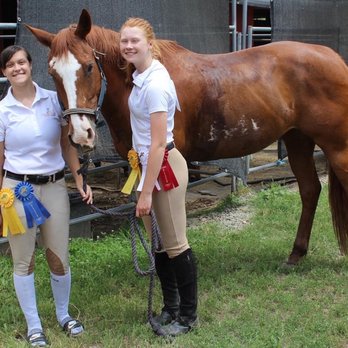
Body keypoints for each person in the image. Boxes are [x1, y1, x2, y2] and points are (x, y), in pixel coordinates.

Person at [0, 45, 93, 347]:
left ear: (30, 65)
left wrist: (79, 179)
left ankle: (64, 315)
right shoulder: (2, 112)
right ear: (4, 72)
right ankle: (34, 325)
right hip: (17, 191)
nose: (17, 68)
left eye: (22, 62)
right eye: (10, 65)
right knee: (23, 260)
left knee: (58, 257)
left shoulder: (53, 101)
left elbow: (68, 146)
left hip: (54, 186)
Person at [119, 18, 198, 337]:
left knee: (176, 243)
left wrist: (146, 192)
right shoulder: (141, 76)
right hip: (153, 166)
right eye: (124, 41)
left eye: (134, 41)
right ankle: (171, 307)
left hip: (162, 166)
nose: (128, 46)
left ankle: (188, 316)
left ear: (150, 44)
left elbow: (155, 143)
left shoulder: (154, 83)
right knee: (160, 245)